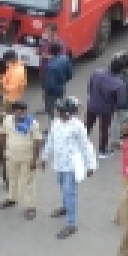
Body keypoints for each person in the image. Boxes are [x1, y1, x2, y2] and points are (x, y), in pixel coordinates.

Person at [40, 96, 96, 239]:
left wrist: (90, 165)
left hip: (72, 165)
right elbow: (50, 141)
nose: (56, 111)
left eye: (59, 109)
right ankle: (65, 208)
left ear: (67, 112)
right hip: (59, 163)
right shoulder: (56, 123)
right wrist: (44, 158)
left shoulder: (77, 126)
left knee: (69, 192)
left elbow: (86, 146)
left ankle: (71, 224)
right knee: (61, 187)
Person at [0, 101, 43, 220]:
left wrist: (35, 160)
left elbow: (37, 142)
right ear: (14, 111)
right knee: (12, 178)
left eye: (24, 111)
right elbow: (2, 134)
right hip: (11, 156)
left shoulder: (32, 123)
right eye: (20, 111)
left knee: (28, 182)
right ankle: (12, 199)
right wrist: (4, 150)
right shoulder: (7, 120)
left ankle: (30, 207)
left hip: (27, 158)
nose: (22, 113)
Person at [85, 53, 128, 159]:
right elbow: (121, 102)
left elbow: (90, 86)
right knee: (104, 130)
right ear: (120, 70)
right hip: (106, 109)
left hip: (92, 104)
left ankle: (79, 145)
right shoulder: (119, 83)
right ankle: (102, 151)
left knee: (87, 126)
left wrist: (93, 96)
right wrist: (114, 106)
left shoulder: (97, 73)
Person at [42, 43, 73, 119]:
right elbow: (70, 75)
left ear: (50, 52)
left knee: (51, 111)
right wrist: (63, 81)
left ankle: (53, 127)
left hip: (51, 92)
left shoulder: (50, 66)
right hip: (61, 88)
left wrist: (45, 91)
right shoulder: (65, 59)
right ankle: (61, 122)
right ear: (60, 50)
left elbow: (49, 85)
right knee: (60, 108)